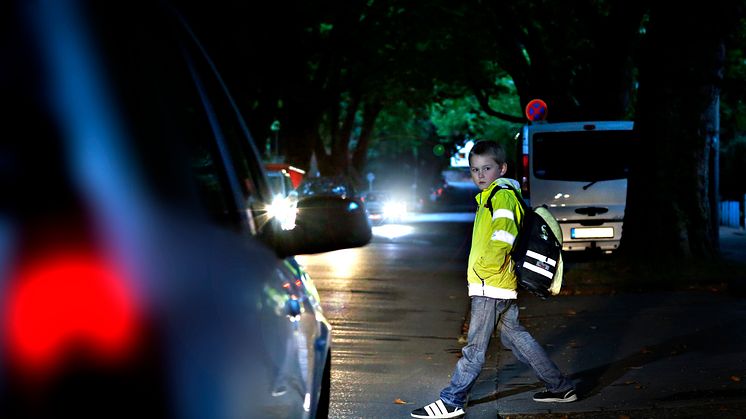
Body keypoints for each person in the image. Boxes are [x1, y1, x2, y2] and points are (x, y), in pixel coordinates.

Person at [411, 140, 576, 419]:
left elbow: (504, 236)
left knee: (475, 347)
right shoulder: (492, 196)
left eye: (487, 168)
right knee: (517, 338)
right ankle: (560, 387)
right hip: (497, 283)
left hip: (490, 283)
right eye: (475, 169)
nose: (480, 175)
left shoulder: (501, 196)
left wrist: (485, 269)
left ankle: (452, 400)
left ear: (502, 168)